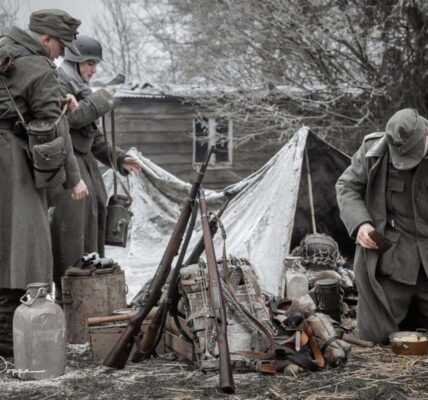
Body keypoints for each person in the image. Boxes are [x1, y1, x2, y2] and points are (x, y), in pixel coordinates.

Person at [0, 9, 89, 356]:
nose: (62, 54)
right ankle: (8, 342)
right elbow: (50, 126)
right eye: (61, 46)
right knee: (23, 247)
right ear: (46, 39)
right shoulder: (38, 67)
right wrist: (65, 107)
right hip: (10, 163)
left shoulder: (4, 47)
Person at [48, 35, 142, 299]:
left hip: (86, 170)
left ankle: (88, 302)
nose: (94, 70)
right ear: (75, 62)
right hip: (67, 175)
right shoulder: (57, 83)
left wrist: (119, 158)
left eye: (95, 64)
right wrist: (101, 100)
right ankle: (69, 302)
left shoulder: (79, 88)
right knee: (71, 243)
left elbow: (92, 137)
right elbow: (71, 120)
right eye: (89, 63)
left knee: (91, 243)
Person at [336, 108, 428, 343]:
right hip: (394, 261)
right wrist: (361, 224)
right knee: (376, 338)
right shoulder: (373, 151)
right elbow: (347, 187)